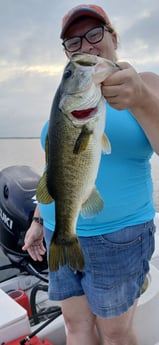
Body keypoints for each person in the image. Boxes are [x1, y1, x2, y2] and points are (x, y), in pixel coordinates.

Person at [22, 4, 159, 345]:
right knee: (74, 325)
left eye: (94, 34)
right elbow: (54, 166)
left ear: (114, 37)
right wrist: (39, 220)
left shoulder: (148, 83)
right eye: (73, 42)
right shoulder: (68, 99)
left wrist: (141, 98)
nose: (85, 46)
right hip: (59, 230)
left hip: (119, 238)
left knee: (115, 334)